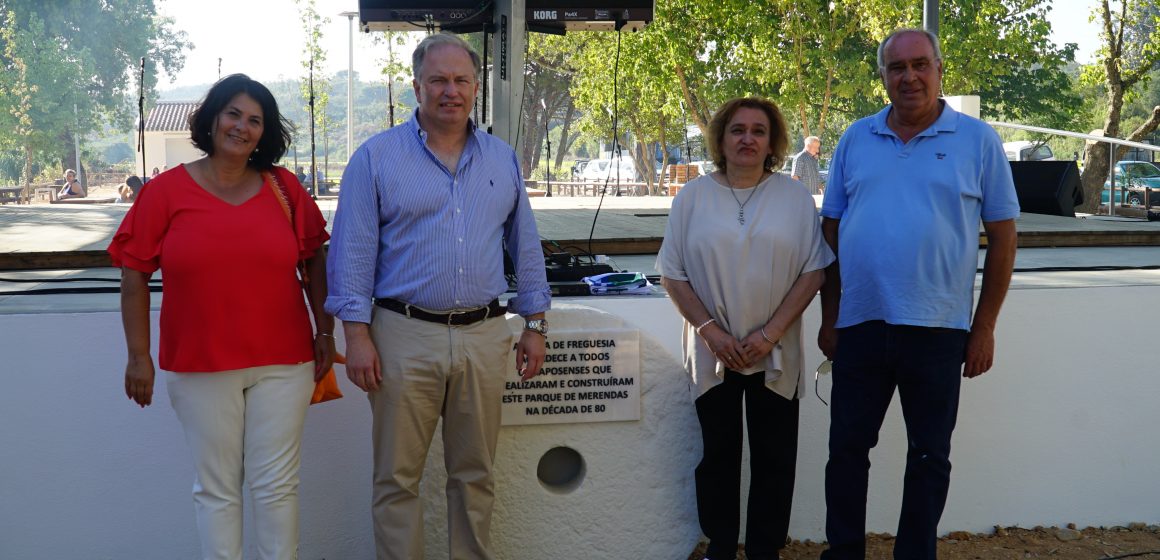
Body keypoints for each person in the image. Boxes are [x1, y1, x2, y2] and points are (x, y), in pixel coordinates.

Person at [325, 33, 551, 560]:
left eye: (460, 80)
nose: (450, 91)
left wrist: (535, 325)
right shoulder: (376, 158)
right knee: (396, 480)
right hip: (403, 335)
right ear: (417, 86)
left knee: (475, 475)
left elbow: (526, 245)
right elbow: (351, 253)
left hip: (484, 334)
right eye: (438, 80)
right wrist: (355, 336)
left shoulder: (501, 158)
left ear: (475, 87)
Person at [109, 74, 335, 560]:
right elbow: (134, 275)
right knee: (217, 489)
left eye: (255, 120)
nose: (242, 127)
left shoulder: (285, 189)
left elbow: (315, 257)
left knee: (276, 486)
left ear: (264, 132)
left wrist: (325, 329)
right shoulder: (164, 193)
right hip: (200, 363)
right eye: (233, 113)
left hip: (285, 362)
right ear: (212, 118)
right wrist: (137, 357)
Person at [817, 29, 1019, 560]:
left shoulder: (978, 141)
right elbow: (831, 231)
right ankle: (844, 553)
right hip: (861, 325)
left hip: (939, 328)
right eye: (897, 67)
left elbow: (1003, 239)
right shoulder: (854, 139)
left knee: (930, 456)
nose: (909, 76)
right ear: (883, 76)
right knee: (845, 453)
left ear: (939, 70)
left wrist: (985, 326)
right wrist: (832, 314)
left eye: (920, 65)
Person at [656, 97, 834, 560]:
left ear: (772, 141)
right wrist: (712, 332)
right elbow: (672, 274)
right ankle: (720, 544)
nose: (748, 139)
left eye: (758, 131)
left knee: (776, 457)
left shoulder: (794, 196)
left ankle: (764, 549)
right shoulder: (692, 196)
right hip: (713, 350)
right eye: (738, 129)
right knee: (718, 455)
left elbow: (814, 271)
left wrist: (769, 334)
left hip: (774, 350)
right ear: (721, 138)